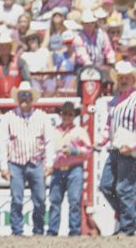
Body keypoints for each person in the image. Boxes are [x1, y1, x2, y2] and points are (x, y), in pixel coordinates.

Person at [96, 61, 136, 236]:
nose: (123, 80)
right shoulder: (114, 101)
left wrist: (133, 145)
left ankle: (128, 228)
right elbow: (108, 125)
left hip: (130, 149)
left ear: (133, 79)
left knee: (123, 188)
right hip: (115, 148)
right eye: (121, 78)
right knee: (106, 185)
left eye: (126, 77)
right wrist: (102, 140)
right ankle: (127, 218)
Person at [0, 81, 53, 236]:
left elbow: (49, 141)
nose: (24, 99)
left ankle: (39, 231)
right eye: (21, 95)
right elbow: (2, 142)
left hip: (36, 163)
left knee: (40, 199)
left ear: (32, 97)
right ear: (18, 97)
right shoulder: (8, 117)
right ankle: (17, 232)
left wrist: (49, 163)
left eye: (27, 95)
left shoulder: (42, 116)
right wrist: (3, 165)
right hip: (16, 163)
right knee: (16, 199)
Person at [47, 100, 91, 236]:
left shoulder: (79, 131)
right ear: (61, 114)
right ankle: (53, 230)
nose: (67, 116)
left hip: (74, 168)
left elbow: (88, 150)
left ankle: (74, 231)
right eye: (65, 113)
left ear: (74, 115)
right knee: (55, 201)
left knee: (74, 201)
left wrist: (74, 151)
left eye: (70, 114)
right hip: (58, 169)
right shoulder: (53, 132)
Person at [0, 31, 29, 98]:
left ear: (10, 47)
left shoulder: (20, 62)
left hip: (16, 102)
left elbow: (27, 81)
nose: (3, 48)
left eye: (6, 45)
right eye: (1, 45)